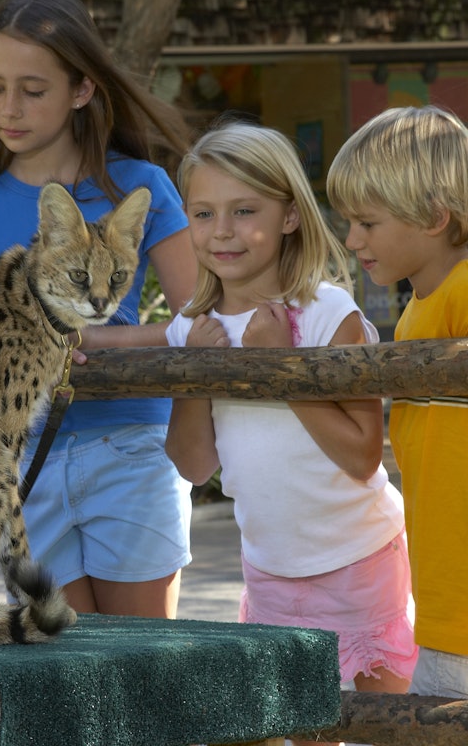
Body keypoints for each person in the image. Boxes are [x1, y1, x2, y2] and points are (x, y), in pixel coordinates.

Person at [0, 0, 198, 618]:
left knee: (145, 659)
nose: (8, 109)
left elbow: (201, 323)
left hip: (129, 444)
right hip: (16, 458)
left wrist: (95, 339)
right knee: (63, 665)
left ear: (82, 89)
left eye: (33, 90)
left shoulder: (141, 185)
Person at [164, 120, 417, 742]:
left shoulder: (330, 314)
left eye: (244, 210)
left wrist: (281, 368)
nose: (222, 230)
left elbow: (362, 456)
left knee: (388, 728)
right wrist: (195, 372)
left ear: (290, 216)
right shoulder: (191, 329)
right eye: (203, 213)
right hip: (271, 569)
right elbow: (193, 466)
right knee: (305, 732)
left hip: (360, 560)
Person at [327, 104, 468, 699]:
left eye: (367, 222)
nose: (352, 240)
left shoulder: (462, 294)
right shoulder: (416, 312)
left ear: (434, 217)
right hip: (443, 606)